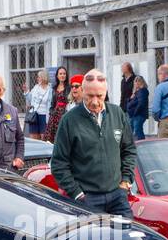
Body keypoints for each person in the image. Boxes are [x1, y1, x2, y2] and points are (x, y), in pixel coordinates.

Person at [50, 69, 136, 217]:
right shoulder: (70, 120)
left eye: (99, 96)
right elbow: (58, 164)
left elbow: (129, 149)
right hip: (87, 199)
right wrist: (77, 194)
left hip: (117, 196)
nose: (95, 102)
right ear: (82, 91)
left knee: (126, 237)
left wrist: (126, 181)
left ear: (106, 92)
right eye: (90, 96)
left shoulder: (117, 114)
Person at [24, 70, 51, 140]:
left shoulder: (50, 89)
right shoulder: (36, 87)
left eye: (39, 77)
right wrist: (26, 91)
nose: (37, 78)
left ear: (43, 77)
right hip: (34, 115)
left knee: (44, 137)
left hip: (44, 115)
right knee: (33, 137)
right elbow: (30, 98)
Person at [45, 66, 70, 143]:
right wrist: (51, 113)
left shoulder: (69, 88)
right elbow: (52, 103)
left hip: (65, 114)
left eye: (64, 74)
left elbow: (70, 102)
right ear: (57, 76)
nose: (62, 75)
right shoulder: (54, 88)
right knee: (51, 140)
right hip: (54, 116)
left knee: (63, 137)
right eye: (60, 74)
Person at [125, 74, 149, 141]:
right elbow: (130, 102)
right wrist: (132, 96)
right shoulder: (137, 92)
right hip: (133, 115)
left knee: (138, 130)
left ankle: (142, 144)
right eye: (135, 81)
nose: (136, 83)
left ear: (141, 82)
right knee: (130, 130)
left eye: (138, 81)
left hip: (138, 115)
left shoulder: (143, 91)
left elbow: (141, 104)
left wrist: (135, 113)